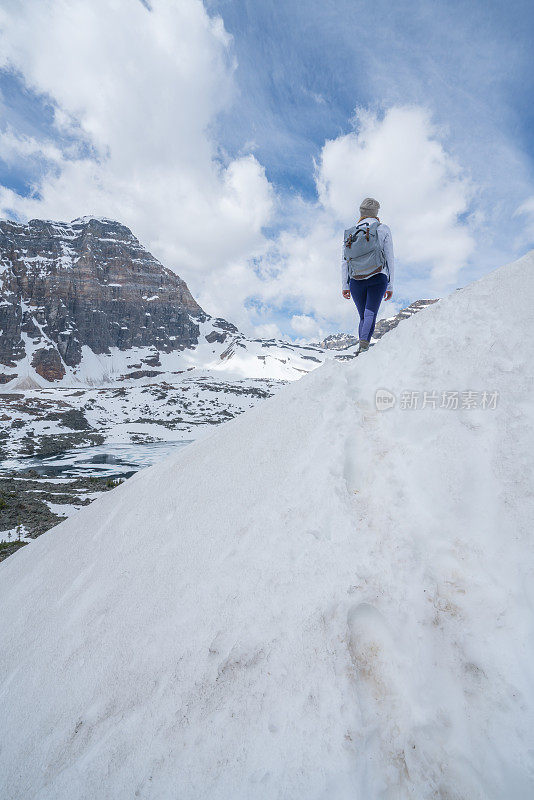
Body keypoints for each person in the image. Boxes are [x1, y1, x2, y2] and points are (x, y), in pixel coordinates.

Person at [341, 197, 394, 353]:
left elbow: (344, 261)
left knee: (363, 317)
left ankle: (362, 348)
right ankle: (363, 349)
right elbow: (390, 257)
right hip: (378, 277)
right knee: (370, 313)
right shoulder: (383, 228)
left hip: (356, 281)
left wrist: (345, 285)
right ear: (376, 212)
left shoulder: (350, 233)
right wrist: (390, 285)